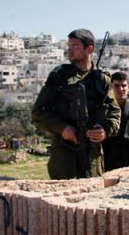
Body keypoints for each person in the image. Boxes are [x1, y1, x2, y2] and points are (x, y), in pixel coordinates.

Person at [32, 29, 121, 179]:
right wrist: (63, 128)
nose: (70, 50)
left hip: (93, 155)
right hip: (65, 155)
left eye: (75, 46)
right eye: (69, 45)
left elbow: (115, 113)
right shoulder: (59, 77)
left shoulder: (101, 80)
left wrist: (105, 131)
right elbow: (38, 113)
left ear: (89, 49)